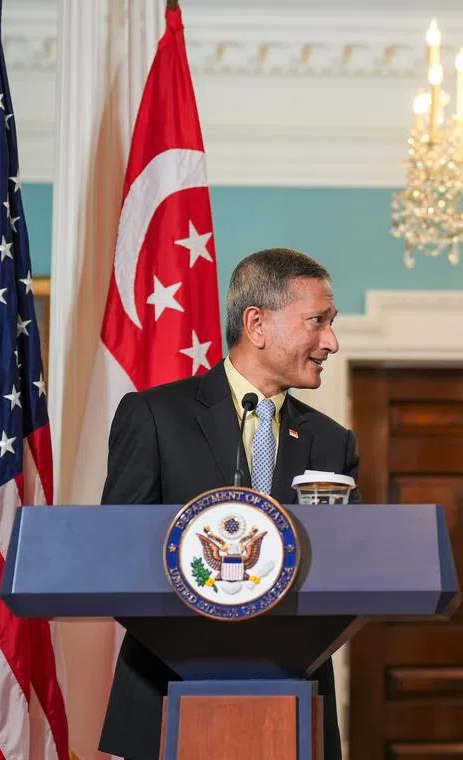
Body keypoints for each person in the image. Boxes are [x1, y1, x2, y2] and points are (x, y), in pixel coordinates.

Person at [99, 247, 359, 760]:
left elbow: (349, 571)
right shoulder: (154, 417)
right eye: (317, 321)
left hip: (296, 707)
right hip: (165, 697)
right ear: (257, 324)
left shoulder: (333, 442)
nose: (331, 341)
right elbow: (115, 555)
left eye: (331, 323)